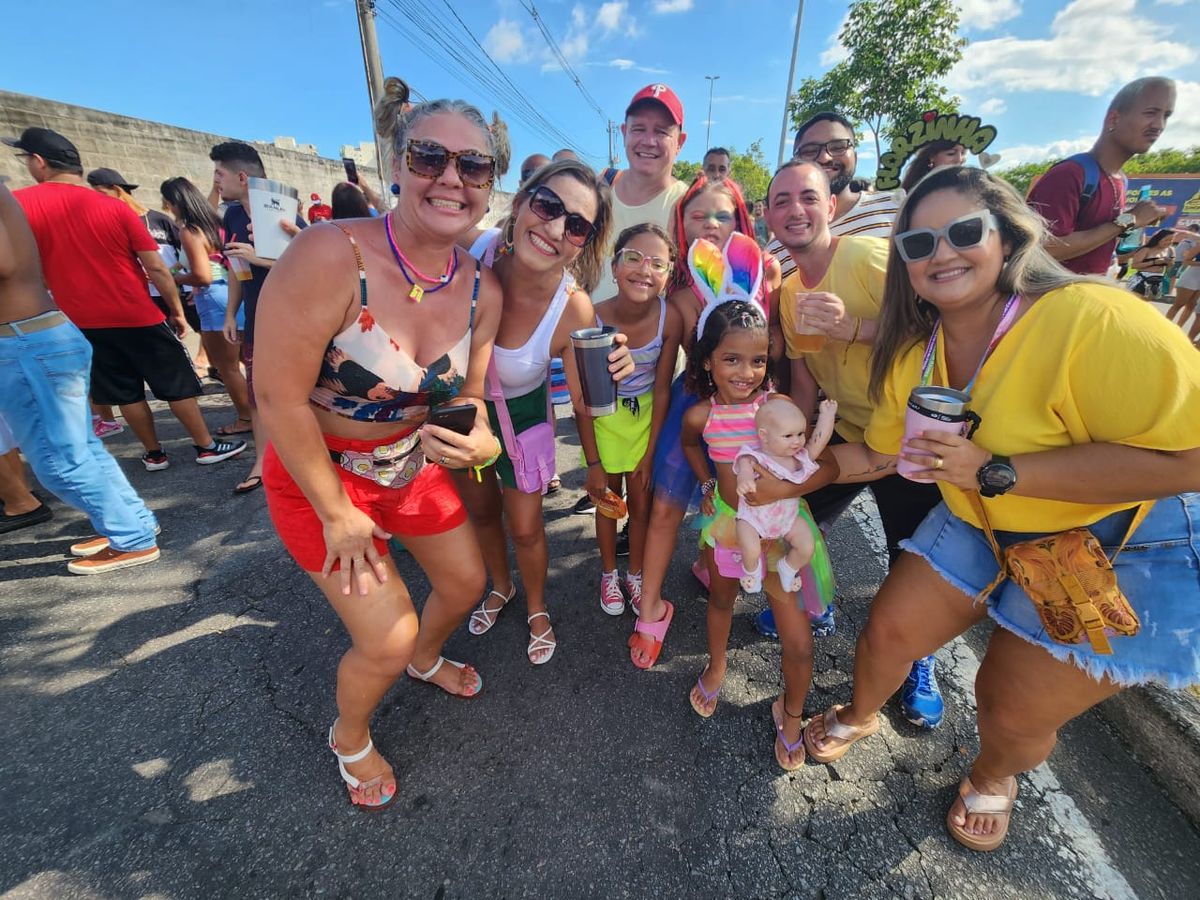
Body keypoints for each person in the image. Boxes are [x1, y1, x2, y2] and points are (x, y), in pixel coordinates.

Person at [801, 164, 1200, 851]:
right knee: (888, 633)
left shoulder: (1093, 319)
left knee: (1010, 706)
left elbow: (1189, 461)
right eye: (918, 244)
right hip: (981, 518)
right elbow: (887, 454)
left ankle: (994, 775)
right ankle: (861, 712)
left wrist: (1001, 470)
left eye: (962, 231)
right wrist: (799, 472)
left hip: (1116, 536)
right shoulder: (915, 356)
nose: (941, 253)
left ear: (1009, 238)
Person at [253, 80, 506, 811]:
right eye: (431, 156)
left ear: (490, 187)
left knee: (465, 584)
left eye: (474, 166)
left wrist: (481, 436)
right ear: (398, 161)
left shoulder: (481, 287)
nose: (452, 178)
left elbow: (468, 397)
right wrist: (335, 510)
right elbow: (277, 396)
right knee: (386, 636)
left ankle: (426, 661)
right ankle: (351, 734)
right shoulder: (331, 254)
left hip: (409, 466)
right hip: (319, 478)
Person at [763, 158, 946, 726]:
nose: (796, 209)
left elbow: (938, 328)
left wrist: (857, 329)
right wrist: (790, 449)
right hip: (846, 433)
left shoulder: (869, 260)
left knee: (912, 561)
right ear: (769, 217)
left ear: (833, 207)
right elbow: (804, 378)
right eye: (782, 200)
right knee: (796, 517)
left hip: (911, 442)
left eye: (809, 198)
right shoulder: (790, 292)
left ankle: (919, 659)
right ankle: (813, 606)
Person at [455, 159, 627, 663]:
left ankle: (536, 606)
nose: (554, 229)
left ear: (585, 242)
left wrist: (595, 466)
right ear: (522, 200)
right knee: (482, 514)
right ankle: (500, 586)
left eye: (576, 225)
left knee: (526, 526)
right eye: (548, 206)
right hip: (463, 414)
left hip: (523, 415)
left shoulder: (571, 308)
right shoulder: (475, 248)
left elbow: (584, 397)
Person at [6, 127, 246, 472]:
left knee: (125, 392)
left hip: (80, 319)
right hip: (136, 312)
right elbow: (155, 268)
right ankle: (205, 445)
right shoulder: (116, 209)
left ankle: (154, 453)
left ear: (39, 162)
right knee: (175, 384)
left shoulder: (19, 207)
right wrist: (176, 312)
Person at [628, 173, 783, 669]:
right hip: (692, 412)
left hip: (750, 417)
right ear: (682, 227)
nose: (711, 225)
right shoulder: (678, 299)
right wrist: (649, 452)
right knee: (667, 508)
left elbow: (776, 348)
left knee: (738, 502)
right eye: (698, 215)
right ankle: (651, 607)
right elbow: (658, 376)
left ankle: (704, 561)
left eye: (724, 215)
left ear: (743, 223)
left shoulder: (766, 278)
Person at [678, 293, 827, 770]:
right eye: (731, 359)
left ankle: (792, 711)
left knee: (799, 639)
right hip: (730, 526)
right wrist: (706, 481)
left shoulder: (777, 407)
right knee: (722, 600)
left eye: (758, 360)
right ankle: (717, 665)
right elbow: (688, 444)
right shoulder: (703, 415)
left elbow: (807, 454)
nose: (746, 371)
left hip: (783, 529)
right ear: (707, 361)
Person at [0, 180, 161, 572]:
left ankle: (132, 537)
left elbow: (3, 264)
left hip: (25, 342)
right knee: (80, 450)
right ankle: (132, 525)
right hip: (37, 336)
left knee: (58, 459)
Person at [591, 224, 682, 616]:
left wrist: (649, 454)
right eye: (633, 257)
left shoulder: (670, 317)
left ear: (667, 274)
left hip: (646, 416)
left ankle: (636, 572)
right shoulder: (592, 318)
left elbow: (662, 388)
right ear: (614, 266)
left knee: (641, 501)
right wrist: (593, 462)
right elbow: (585, 401)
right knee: (608, 499)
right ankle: (609, 573)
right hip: (604, 417)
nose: (644, 270)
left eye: (657, 263)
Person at [211, 140, 306, 494]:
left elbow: (306, 267)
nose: (216, 181)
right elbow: (237, 267)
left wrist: (257, 257)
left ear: (240, 175)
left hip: (295, 322)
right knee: (258, 396)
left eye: (219, 173)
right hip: (256, 319)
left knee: (301, 394)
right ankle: (262, 463)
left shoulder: (286, 215)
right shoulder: (233, 215)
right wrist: (231, 314)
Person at [1027, 77, 1174, 275]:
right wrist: (1129, 220)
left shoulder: (1121, 181)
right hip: (1047, 298)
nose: (1159, 125)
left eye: (1166, 116)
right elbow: (1047, 249)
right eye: (1150, 113)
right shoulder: (1071, 174)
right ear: (1114, 119)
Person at [160, 177, 252, 440]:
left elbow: (203, 275)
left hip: (214, 298)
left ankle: (246, 417)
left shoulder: (190, 231)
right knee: (248, 360)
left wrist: (173, 279)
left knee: (227, 366)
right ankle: (259, 412)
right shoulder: (216, 224)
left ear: (174, 203)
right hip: (233, 293)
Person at [766, 111, 905, 281]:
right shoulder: (777, 250)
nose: (824, 157)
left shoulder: (897, 209)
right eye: (810, 151)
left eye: (838, 147)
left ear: (855, 154)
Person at [592, 83, 689, 302]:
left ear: (680, 142)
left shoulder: (686, 206)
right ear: (624, 132)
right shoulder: (602, 186)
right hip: (586, 329)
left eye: (661, 132)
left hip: (654, 335)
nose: (648, 141)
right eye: (638, 129)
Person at [734, 395, 837, 592]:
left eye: (800, 434)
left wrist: (827, 416)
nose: (797, 441)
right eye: (788, 436)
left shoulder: (799, 459)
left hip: (787, 518)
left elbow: (818, 441)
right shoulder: (757, 456)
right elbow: (744, 463)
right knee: (751, 548)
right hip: (753, 518)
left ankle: (789, 567)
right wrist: (745, 478)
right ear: (764, 436)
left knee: (807, 546)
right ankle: (752, 572)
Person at [1166, 223, 1200, 335]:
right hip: (1192, 277)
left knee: (1191, 306)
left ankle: (1178, 331)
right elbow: (1187, 260)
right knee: (1178, 305)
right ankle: (1165, 328)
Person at [1126, 228, 1176, 300]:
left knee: (1146, 304)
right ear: (1159, 238)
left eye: (1171, 240)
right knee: (1134, 301)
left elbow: (1170, 267)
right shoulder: (1146, 249)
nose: (1168, 242)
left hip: (1157, 280)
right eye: (1166, 240)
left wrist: (1170, 262)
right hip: (1142, 279)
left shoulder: (1170, 250)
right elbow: (1134, 265)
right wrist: (1154, 262)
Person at [900, 141, 967, 193]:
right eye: (951, 153)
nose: (959, 159)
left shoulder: (970, 187)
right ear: (932, 156)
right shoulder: (917, 192)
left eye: (963, 153)